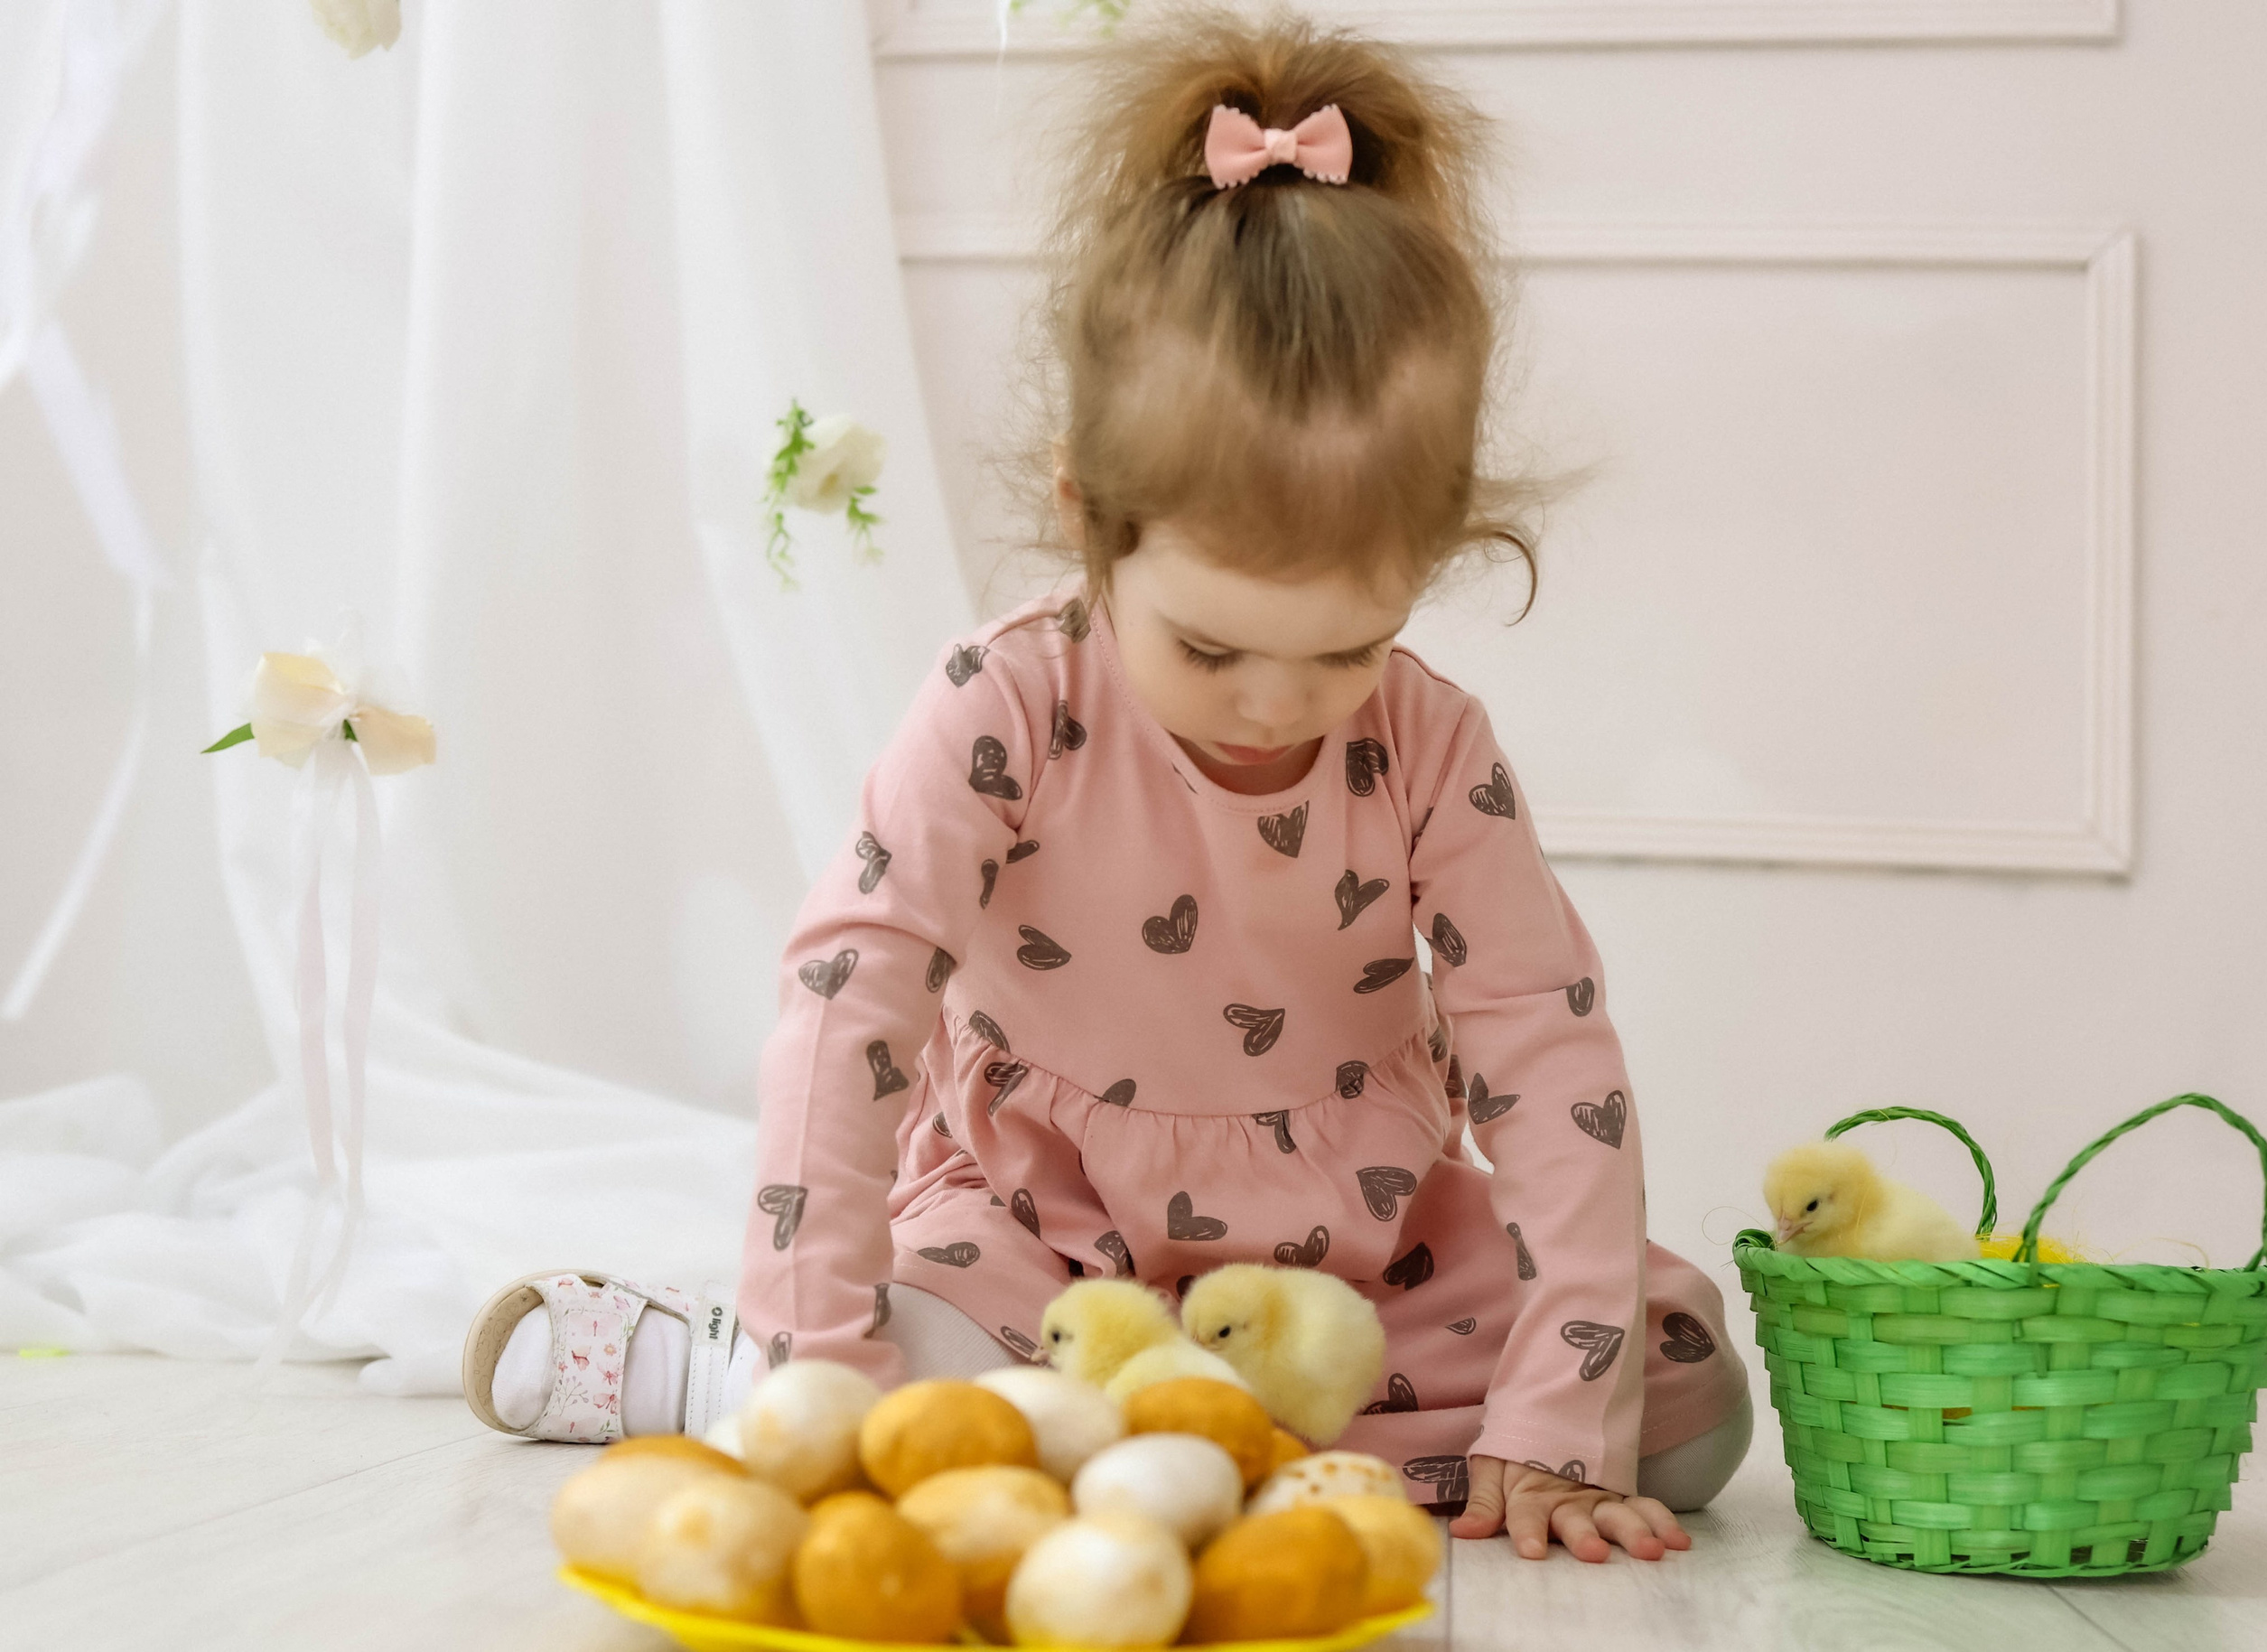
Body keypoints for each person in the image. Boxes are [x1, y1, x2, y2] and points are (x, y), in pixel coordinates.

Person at [465, 4, 1751, 1564]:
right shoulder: (1002, 706)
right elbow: (847, 1011)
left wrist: (1556, 1420)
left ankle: (1205, 1437)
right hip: (1040, 1238)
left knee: (1687, 1405)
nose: (1278, 704)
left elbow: (1549, 1064)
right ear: (1090, 518)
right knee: (916, 1404)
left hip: (1356, 1262)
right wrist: (822, 1355)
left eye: (1348, 647)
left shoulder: (1433, 743)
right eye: (1211, 649)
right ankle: (720, 1365)